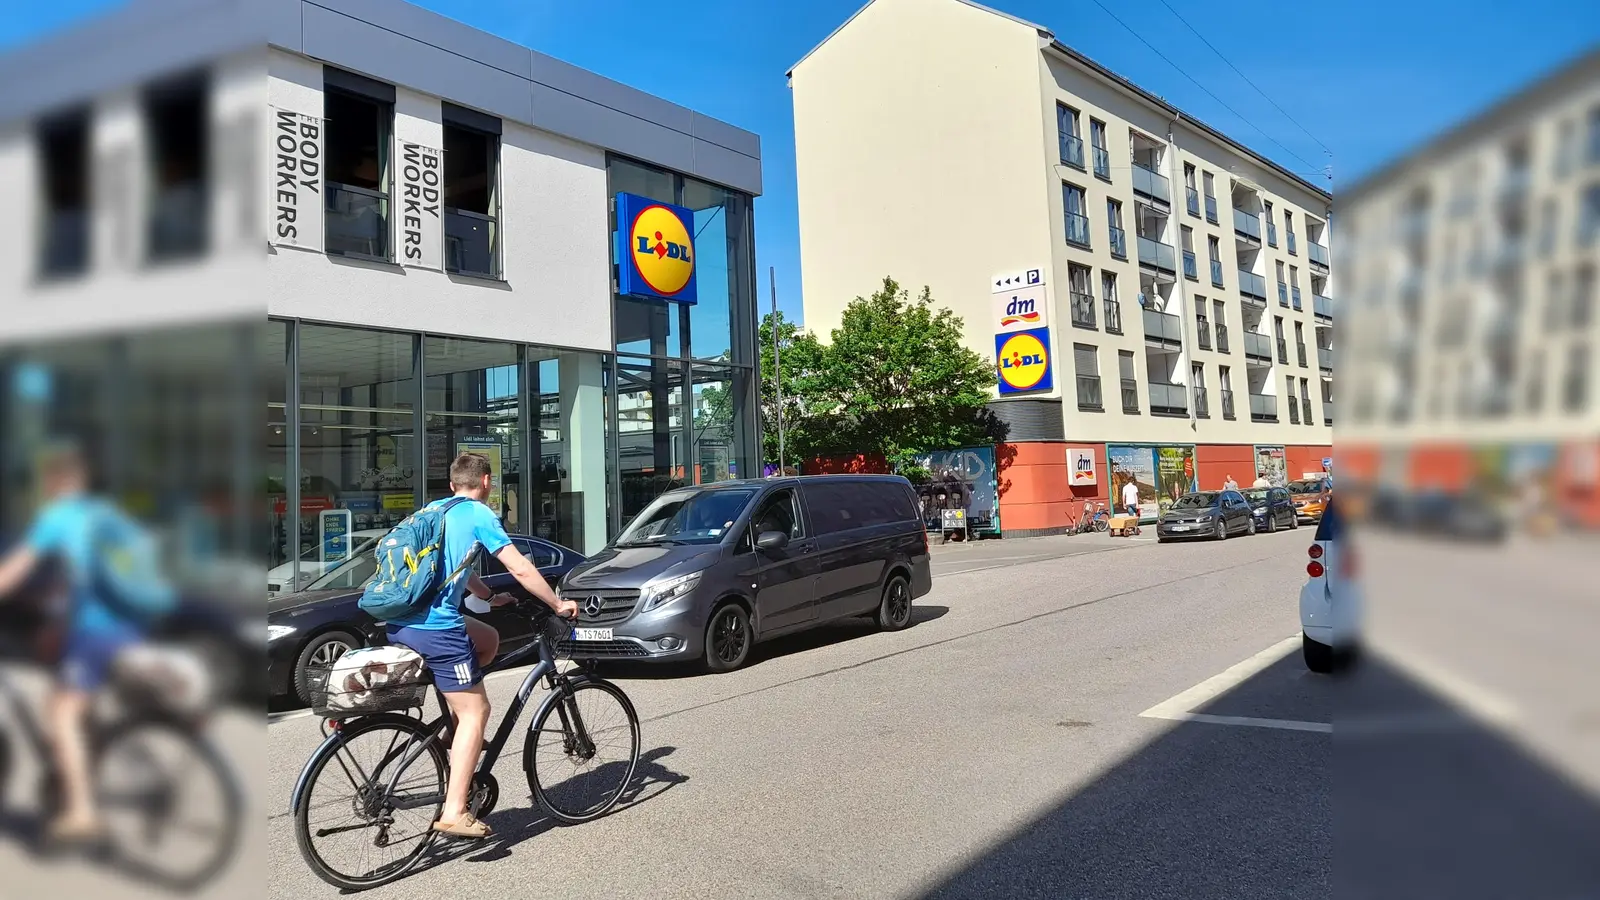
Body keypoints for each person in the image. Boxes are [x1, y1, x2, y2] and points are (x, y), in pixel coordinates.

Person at [386, 453, 578, 839]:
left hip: (402, 622)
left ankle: (452, 739)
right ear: (487, 482)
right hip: (437, 628)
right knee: (478, 711)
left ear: (453, 483)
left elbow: (460, 567)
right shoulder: (478, 514)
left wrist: (488, 597)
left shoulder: (436, 509)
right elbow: (520, 567)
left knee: (488, 640)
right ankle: (455, 810)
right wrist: (557, 604)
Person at [0, 444, 144, 843]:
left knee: (63, 714)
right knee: (62, 701)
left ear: (58, 480)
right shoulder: (106, 514)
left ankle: (83, 812)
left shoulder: (60, 516)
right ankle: (87, 759)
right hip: (129, 622)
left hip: (95, 630)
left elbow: (16, 570)